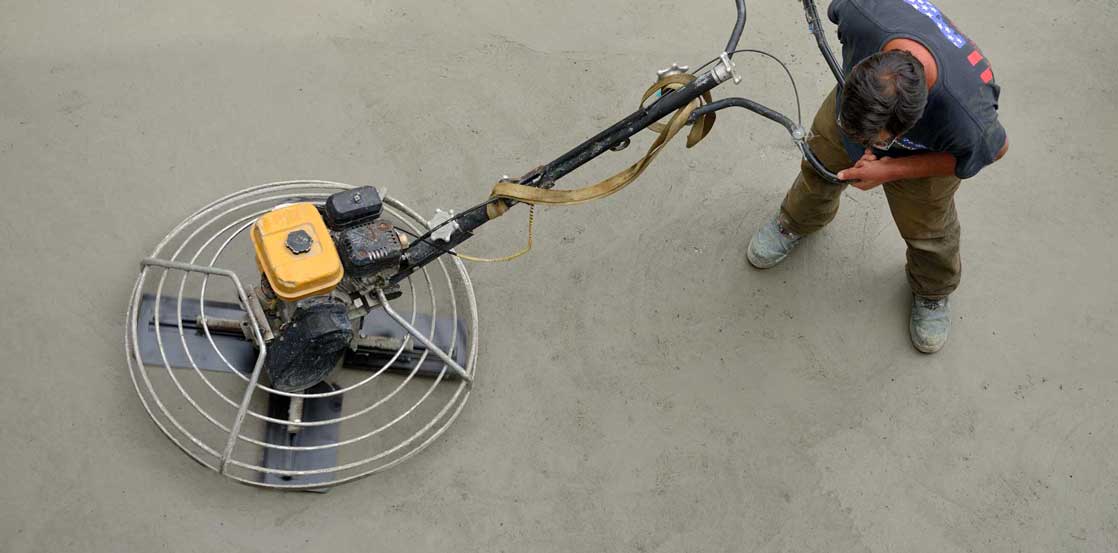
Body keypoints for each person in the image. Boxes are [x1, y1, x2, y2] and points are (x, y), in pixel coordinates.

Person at [748, 0, 1008, 353]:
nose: (861, 145)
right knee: (819, 164)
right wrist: (853, 127)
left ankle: (932, 290)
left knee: (928, 230)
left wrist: (890, 169)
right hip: (856, 109)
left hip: (924, 155)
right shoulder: (860, 12)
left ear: (912, 123)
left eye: (876, 141)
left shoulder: (965, 118)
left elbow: (995, 151)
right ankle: (795, 222)